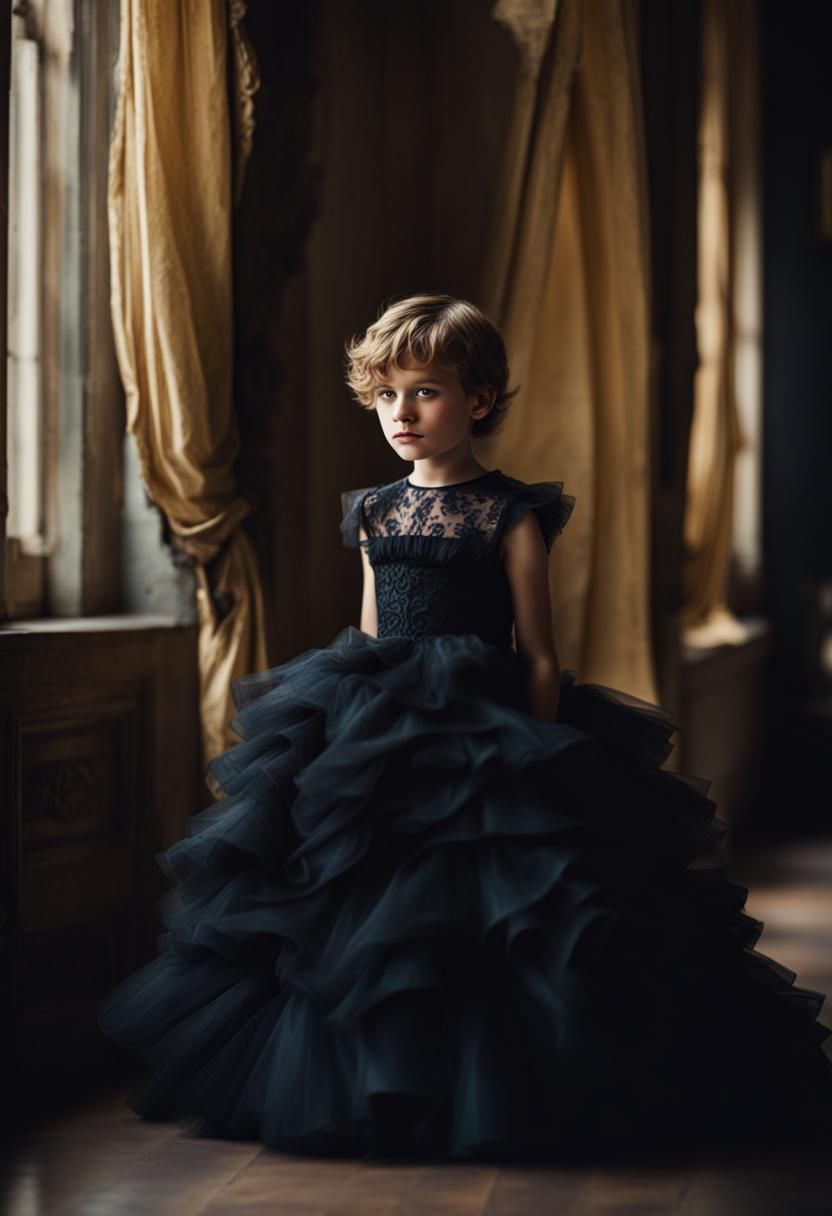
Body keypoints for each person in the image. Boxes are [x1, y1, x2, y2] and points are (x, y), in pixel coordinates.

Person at [97, 292, 832, 1165]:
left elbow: (540, 654)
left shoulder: (510, 514)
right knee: (371, 918)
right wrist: (342, 743)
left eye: (425, 393)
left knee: (496, 912)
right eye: (384, 397)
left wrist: (543, 761)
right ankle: (379, 1082)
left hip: (491, 731)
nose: (400, 414)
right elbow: (367, 637)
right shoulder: (373, 512)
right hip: (376, 727)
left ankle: (508, 1091)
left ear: (479, 400)